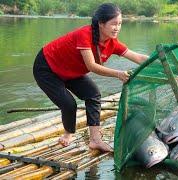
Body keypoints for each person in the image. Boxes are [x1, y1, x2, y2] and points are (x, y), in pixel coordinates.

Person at [33, 3, 148, 152]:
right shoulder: (85, 34)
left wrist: (161, 60)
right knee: (69, 104)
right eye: (113, 24)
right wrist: (118, 74)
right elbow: (92, 66)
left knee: (93, 94)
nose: (117, 28)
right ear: (101, 23)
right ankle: (68, 134)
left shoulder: (112, 43)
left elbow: (138, 57)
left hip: (70, 70)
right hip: (47, 67)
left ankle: (95, 140)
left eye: (120, 24)